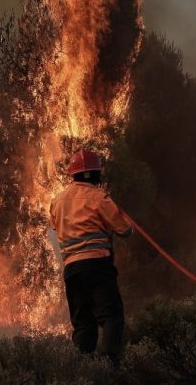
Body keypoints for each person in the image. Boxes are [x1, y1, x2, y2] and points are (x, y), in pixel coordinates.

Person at [48, 149, 134, 364]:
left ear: (73, 174)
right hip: (97, 266)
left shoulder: (57, 201)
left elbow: (54, 226)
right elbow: (125, 230)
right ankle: (108, 367)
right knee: (111, 317)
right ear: (97, 174)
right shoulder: (100, 198)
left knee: (83, 324)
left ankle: (82, 371)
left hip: (72, 270)